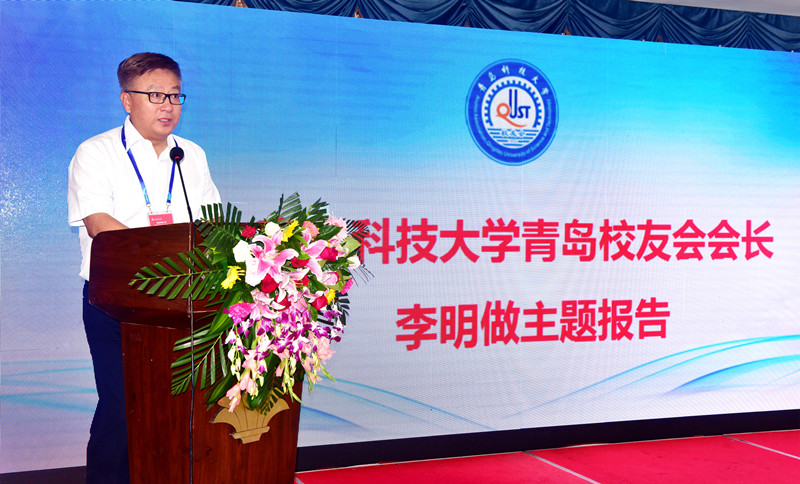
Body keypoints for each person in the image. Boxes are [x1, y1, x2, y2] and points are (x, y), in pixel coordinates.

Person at [67, 53, 221, 483]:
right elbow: (99, 223)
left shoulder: (190, 155)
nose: (168, 105)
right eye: (155, 95)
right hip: (116, 303)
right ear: (126, 100)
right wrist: (165, 261)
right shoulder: (96, 152)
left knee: (175, 407)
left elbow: (212, 224)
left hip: (184, 302)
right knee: (122, 406)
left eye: (175, 95)